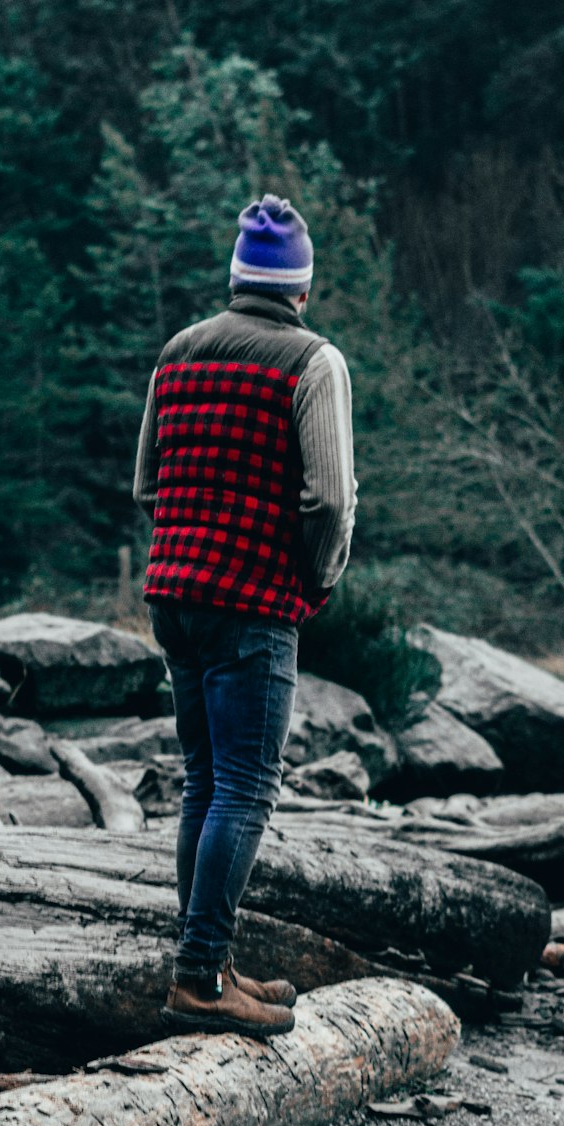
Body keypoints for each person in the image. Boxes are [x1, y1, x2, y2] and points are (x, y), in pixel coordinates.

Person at [133, 194, 356, 1040]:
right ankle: (199, 977)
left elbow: (148, 486)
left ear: (237, 277)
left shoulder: (178, 352)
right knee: (247, 789)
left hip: (174, 597)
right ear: (300, 287)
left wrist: (186, 555)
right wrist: (318, 581)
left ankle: (211, 964)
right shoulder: (312, 361)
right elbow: (330, 497)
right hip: (253, 603)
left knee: (204, 781)